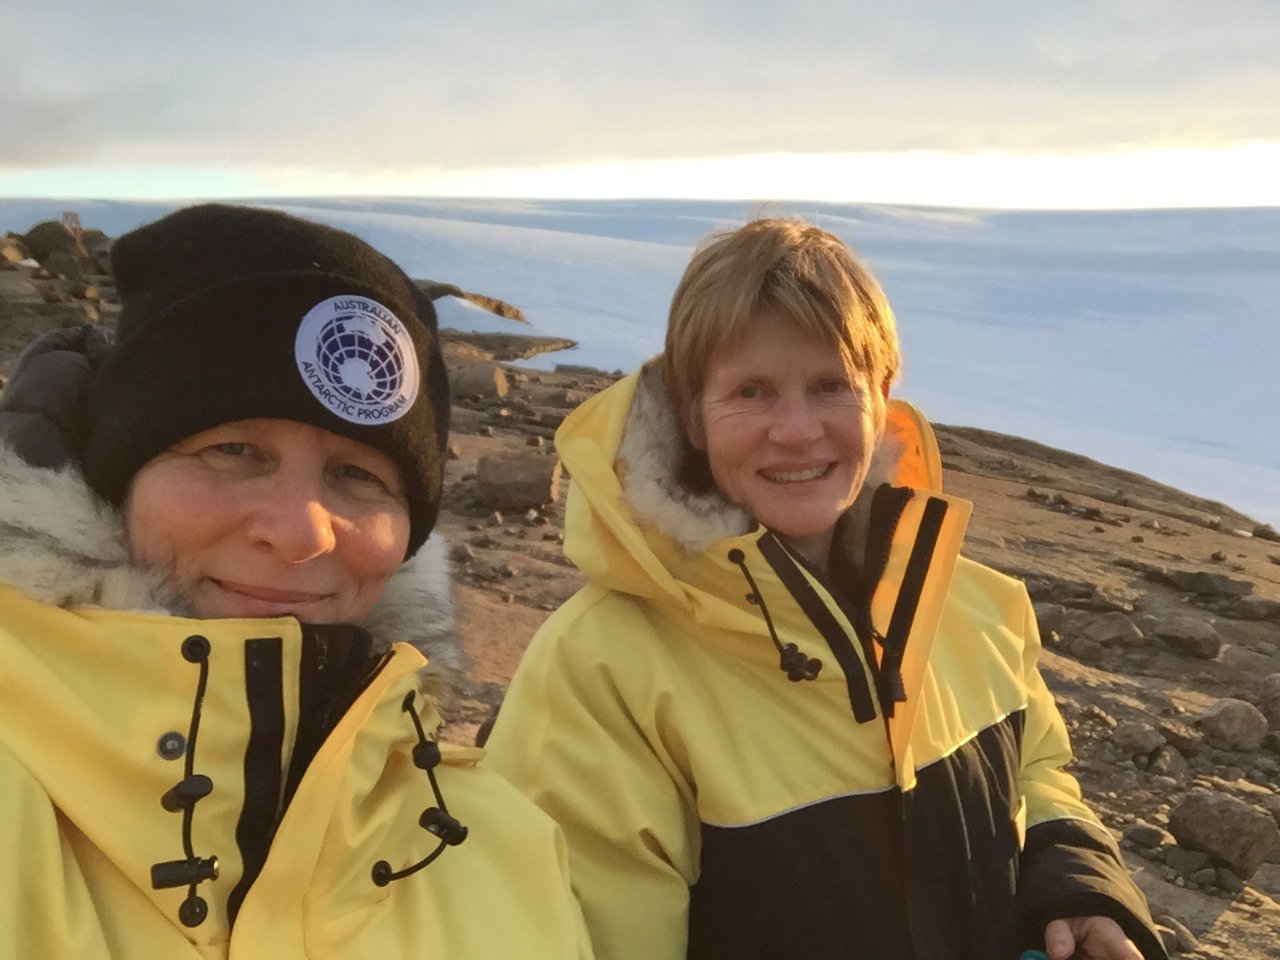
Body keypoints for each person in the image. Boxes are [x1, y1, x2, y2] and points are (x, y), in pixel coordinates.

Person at [485, 218, 1167, 960]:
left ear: (880, 397)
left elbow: (1040, 773)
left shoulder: (975, 606)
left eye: (830, 385)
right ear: (692, 413)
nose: (798, 431)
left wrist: (1077, 887)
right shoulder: (600, 674)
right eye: (752, 391)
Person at [0, 204, 589, 959]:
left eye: (357, 473)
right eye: (233, 449)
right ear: (117, 479)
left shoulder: (507, 852)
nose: (302, 529)